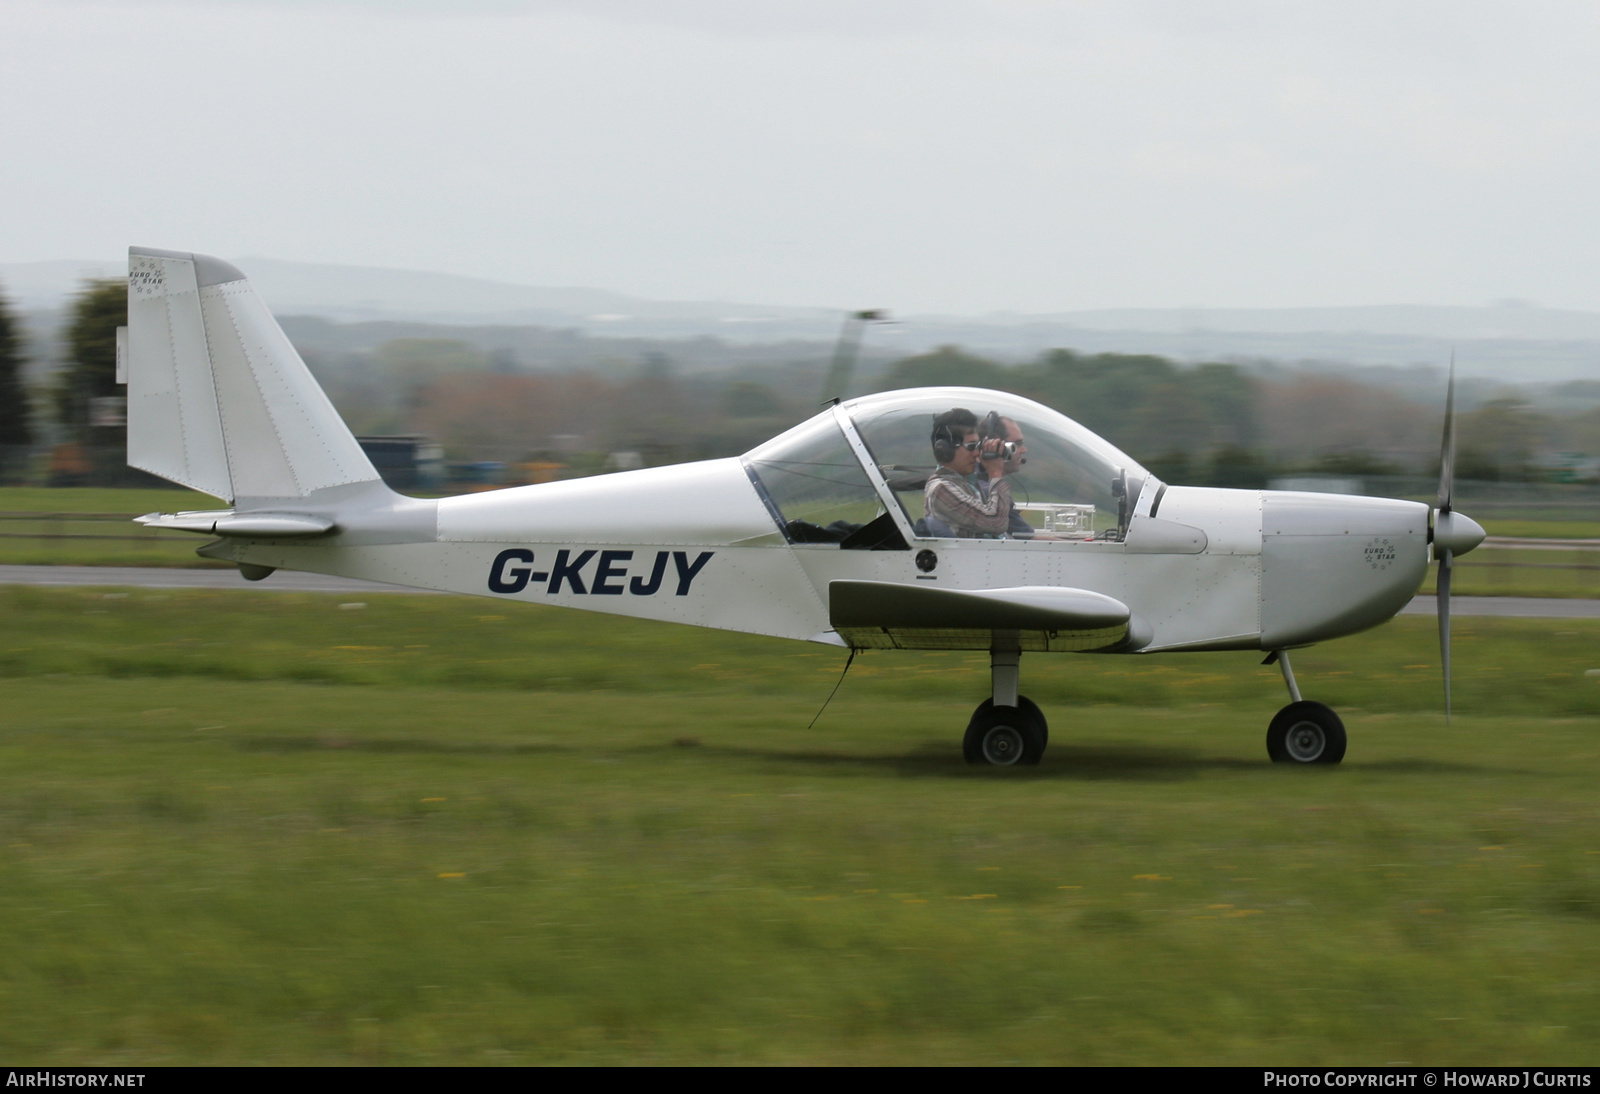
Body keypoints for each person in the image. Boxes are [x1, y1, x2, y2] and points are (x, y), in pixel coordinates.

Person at [924, 408, 1013, 538]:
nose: (977, 453)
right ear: (945, 449)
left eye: (978, 446)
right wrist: (995, 472)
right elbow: (996, 523)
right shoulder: (941, 488)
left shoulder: (968, 483)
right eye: (971, 446)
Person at [975, 414, 1042, 539]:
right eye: (1017, 444)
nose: (1024, 450)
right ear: (996, 447)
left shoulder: (981, 481)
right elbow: (1027, 539)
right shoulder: (986, 490)